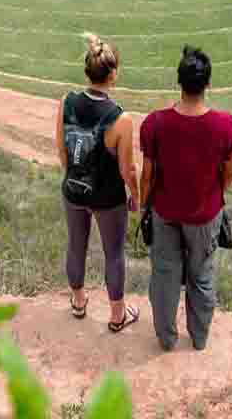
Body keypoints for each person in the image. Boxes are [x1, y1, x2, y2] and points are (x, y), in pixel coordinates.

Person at [140, 46, 232, 352]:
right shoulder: (226, 126)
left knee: (165, 279)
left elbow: (147, 175)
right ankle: (199, 338)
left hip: (165, 211)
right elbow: (229, 174)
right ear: (208, 84)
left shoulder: (155, 123)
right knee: (201, 276)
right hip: (205, 215)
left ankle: (166, 340)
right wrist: (214, 195)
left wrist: (144, 206)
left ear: (178, 82)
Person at [56, 34, 141, 333]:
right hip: (108, 198)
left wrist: (74, 178)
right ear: (113, 74)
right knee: (114, 254)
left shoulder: (66, 101)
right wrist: (135, 196)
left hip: (73, 189)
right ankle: (117, 316)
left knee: (75, 246)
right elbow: (128, 169)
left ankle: (78, 302)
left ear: (86, 72)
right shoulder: (121, 119)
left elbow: (62, 150)